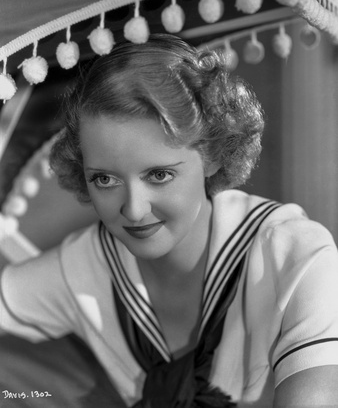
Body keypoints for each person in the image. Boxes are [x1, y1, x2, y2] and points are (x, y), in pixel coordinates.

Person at [1, 33, 338, 408]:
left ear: (211, 154)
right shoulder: (86, 265)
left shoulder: (297, 257)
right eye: (105, 179)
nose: (133, 210)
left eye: (159, 175)